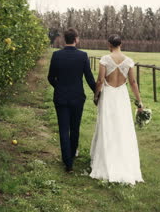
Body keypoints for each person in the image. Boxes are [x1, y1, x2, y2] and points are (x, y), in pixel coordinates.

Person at [89, 34, 144, 185]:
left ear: (109, 44)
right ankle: (124, 160)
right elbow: (132, 82)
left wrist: (96, 96)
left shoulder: (105, 59)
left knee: (107, 126)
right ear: (121, 44)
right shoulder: (128, 61)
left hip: (108, 96)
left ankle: (106, 159)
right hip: (121, 96)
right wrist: (139, 101)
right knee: (122, 127)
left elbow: (100, 80)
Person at [48, 28, 96, 173]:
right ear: (76, 39)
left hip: (61, 97)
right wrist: (97, 92)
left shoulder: (56, 55)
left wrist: (59, 87)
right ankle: (72, 154)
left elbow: (51, 77)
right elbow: (89, 77)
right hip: (77, 97)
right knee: (75, 128)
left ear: (64, 40)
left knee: (63, 129)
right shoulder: (83, 56)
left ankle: (67, 162)